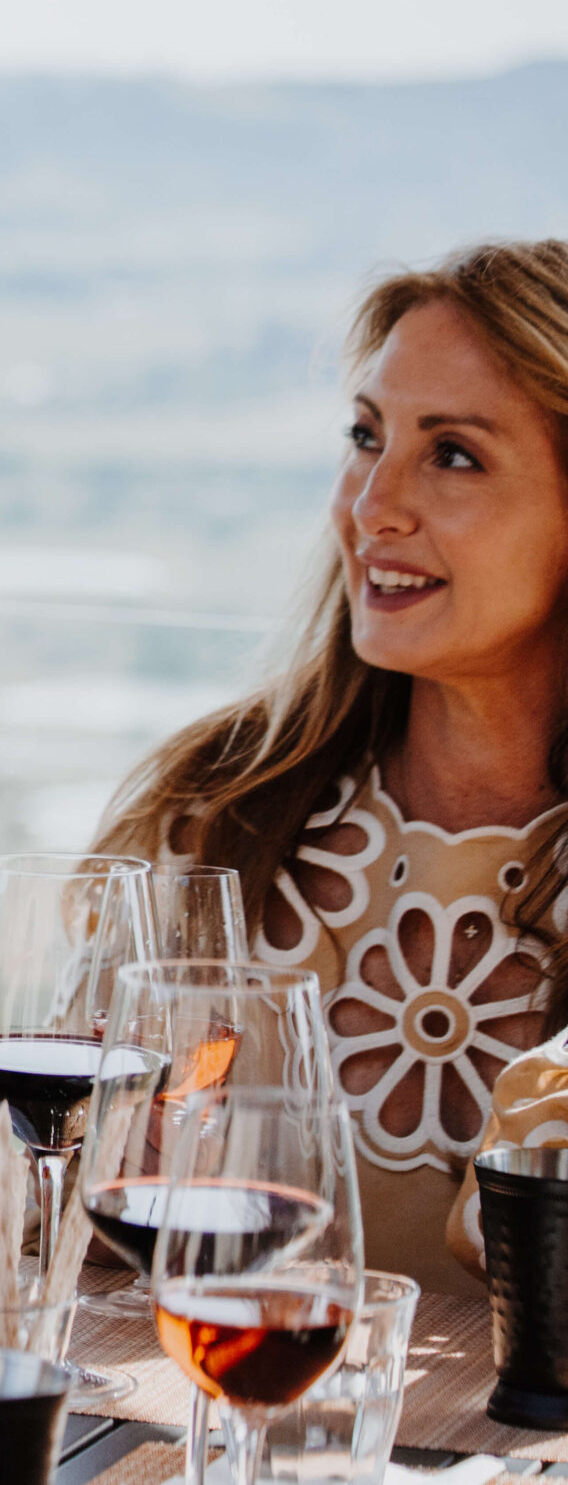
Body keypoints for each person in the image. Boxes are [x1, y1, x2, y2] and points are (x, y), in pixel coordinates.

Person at [98, 240, 568, 1297]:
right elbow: (76, 1224)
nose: (369, 504)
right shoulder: (216, 809)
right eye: (366, 437)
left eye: (452, 454)